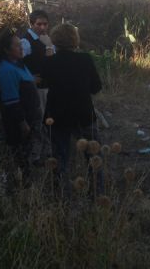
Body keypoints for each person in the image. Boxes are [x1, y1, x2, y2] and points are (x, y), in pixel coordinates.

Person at [41, 23, 102, 183]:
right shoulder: (85, 59)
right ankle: (97, 192)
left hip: (57, 116)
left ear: (55, 41)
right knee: (94, 157)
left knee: (60, 159)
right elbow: (96, 87)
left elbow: (42, 83)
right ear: (75, 39)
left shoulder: (49, 62)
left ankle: (63, 196)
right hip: (83, 113)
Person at [0, 30, 41, 184]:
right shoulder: (6, 71)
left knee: (27, 154)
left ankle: (28, 186)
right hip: (19, 123)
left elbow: (24, 81)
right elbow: (11, 101)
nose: (21, 48)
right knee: (21, 156)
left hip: (29, 117)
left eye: (21, 45)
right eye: (17, 46)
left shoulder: (18, 64)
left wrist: (32, 81)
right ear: (7, 50)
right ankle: (23, 189)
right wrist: (22, 123)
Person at [20, 10, 54, 161]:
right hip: (36, 88)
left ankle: (47, 151)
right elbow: (17, 62)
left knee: (47, 118)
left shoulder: (46, 39)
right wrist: (29, 77)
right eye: (39, 24)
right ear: (31, 24)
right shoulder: (25, 41)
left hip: (47, 86)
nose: (42, 27)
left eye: (45, 24)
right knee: (37, 120)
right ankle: (35, 155)